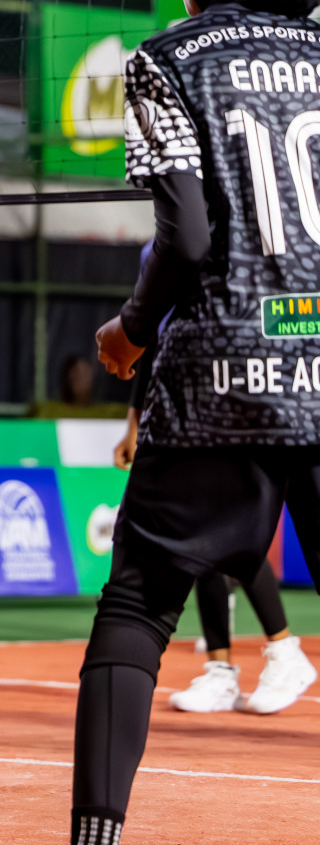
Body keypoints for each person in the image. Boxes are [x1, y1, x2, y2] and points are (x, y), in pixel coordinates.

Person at [73, 0, 320, 845]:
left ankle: (96, 843)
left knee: (138, 602)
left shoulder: (167, 58)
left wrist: (131, 329)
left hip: (228, 360)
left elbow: (185, 229)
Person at [113, 244, 317, 716]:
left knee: (233, 540)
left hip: (258, 403)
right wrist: (132, 425)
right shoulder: (161, 249)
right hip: (193, 412)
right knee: (201, 546)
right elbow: (151, 344)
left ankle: (284, 649)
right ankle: (223, 670)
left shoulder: (250, 237)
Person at [33, 354, 127, 420]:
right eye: (75, 375)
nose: (78, 377)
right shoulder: (50, 411)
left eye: (85, 373)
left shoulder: (112, 413)